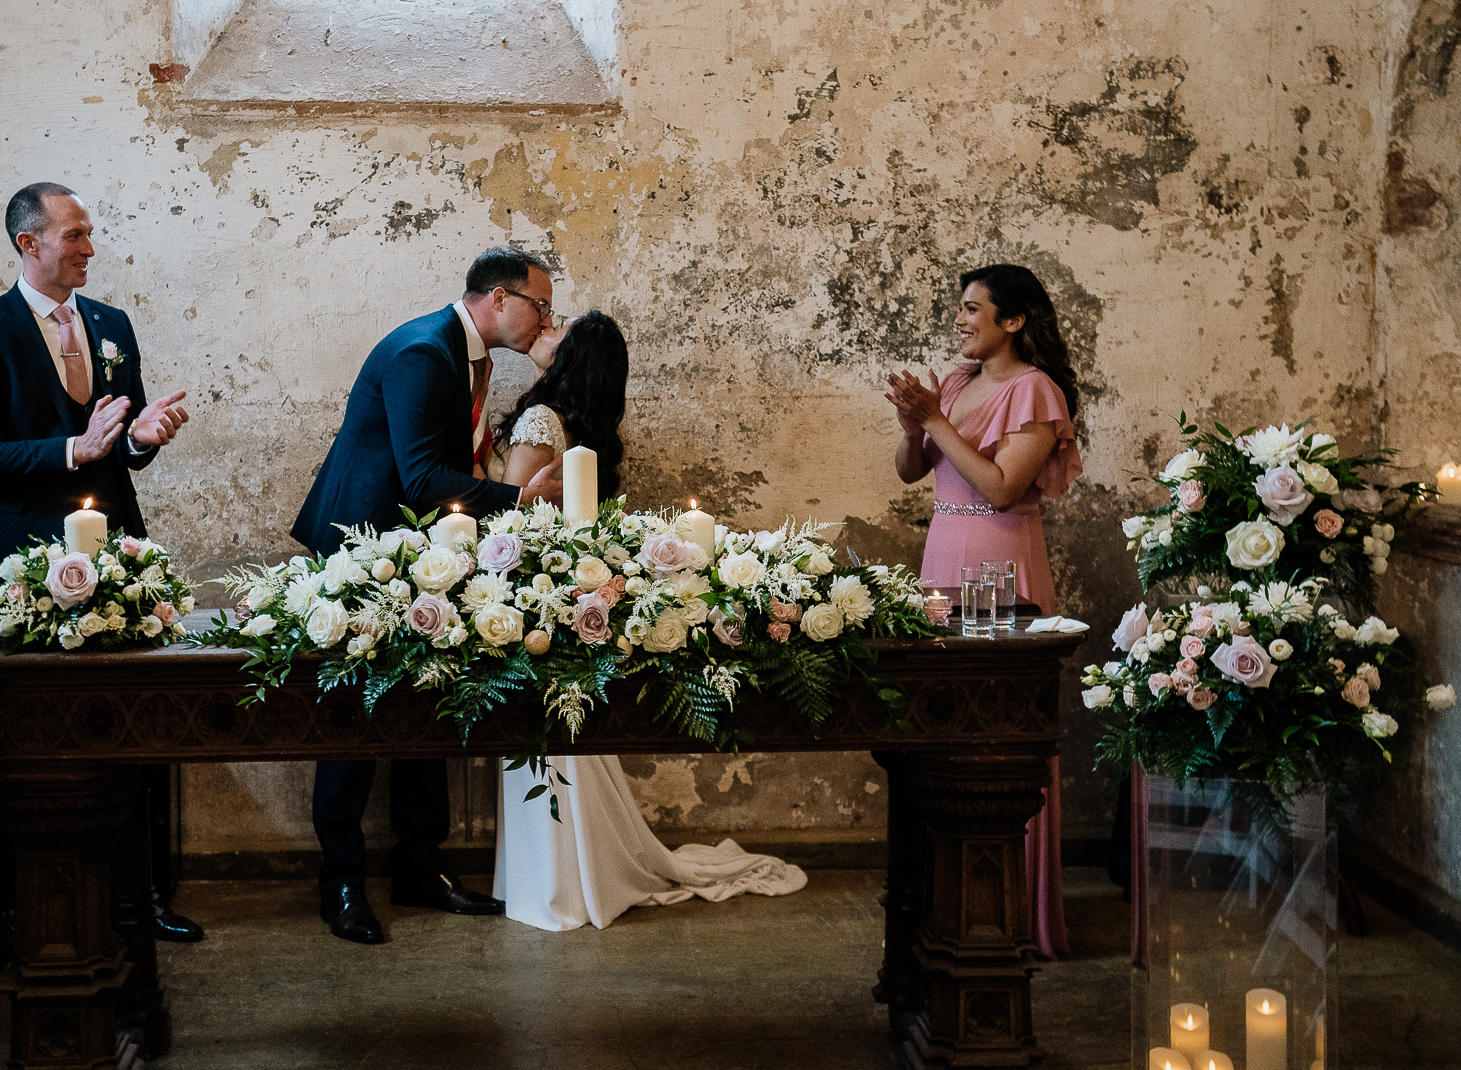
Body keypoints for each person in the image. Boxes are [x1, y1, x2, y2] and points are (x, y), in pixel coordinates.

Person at [0, 181, 199, 960]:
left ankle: (142, 897)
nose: (89, 247)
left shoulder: (112, 326)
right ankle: (14, 911)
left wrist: (141, 438)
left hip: (115, 554)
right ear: (30, 243)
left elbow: (121, 437)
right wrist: (70, 450)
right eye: (75, 235)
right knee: (24, 741)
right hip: (22, 563)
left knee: (134, 727)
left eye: (89, 234)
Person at [489, 312, 808, 931]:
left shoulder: (539, 419)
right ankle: (577, 868)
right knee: (567, 739)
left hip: (532, 590)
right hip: (565, 586)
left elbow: (512, 516)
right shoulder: (587, 429)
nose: (545, 328)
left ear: (570, 355)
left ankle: (559, 882)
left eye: (559, 327)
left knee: (546, 737)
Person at [290, 247, 566, 945]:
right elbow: (419, 480)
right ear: (499, 299)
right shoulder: (423, 353)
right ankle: (342, 883)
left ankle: (419, 869)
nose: (547, 318)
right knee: (351, 726)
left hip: (412, 553)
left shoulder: (464, 354)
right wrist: (520, 499)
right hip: (362, 552)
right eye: (541, 304)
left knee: (424, 710)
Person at [883, 263, 1083, 959]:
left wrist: (934, 416)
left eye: (974, 308)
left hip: (1002, 557)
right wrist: (916, 426)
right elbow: (915, 470)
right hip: (944, 553)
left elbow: (1000, 488)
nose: (962, 319)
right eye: (960, 308)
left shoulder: (1036, 391)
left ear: (1014, 320)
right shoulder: (961, 382)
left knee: (1001, 729)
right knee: (941, 725)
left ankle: (1012, 913)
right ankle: (945, 897)